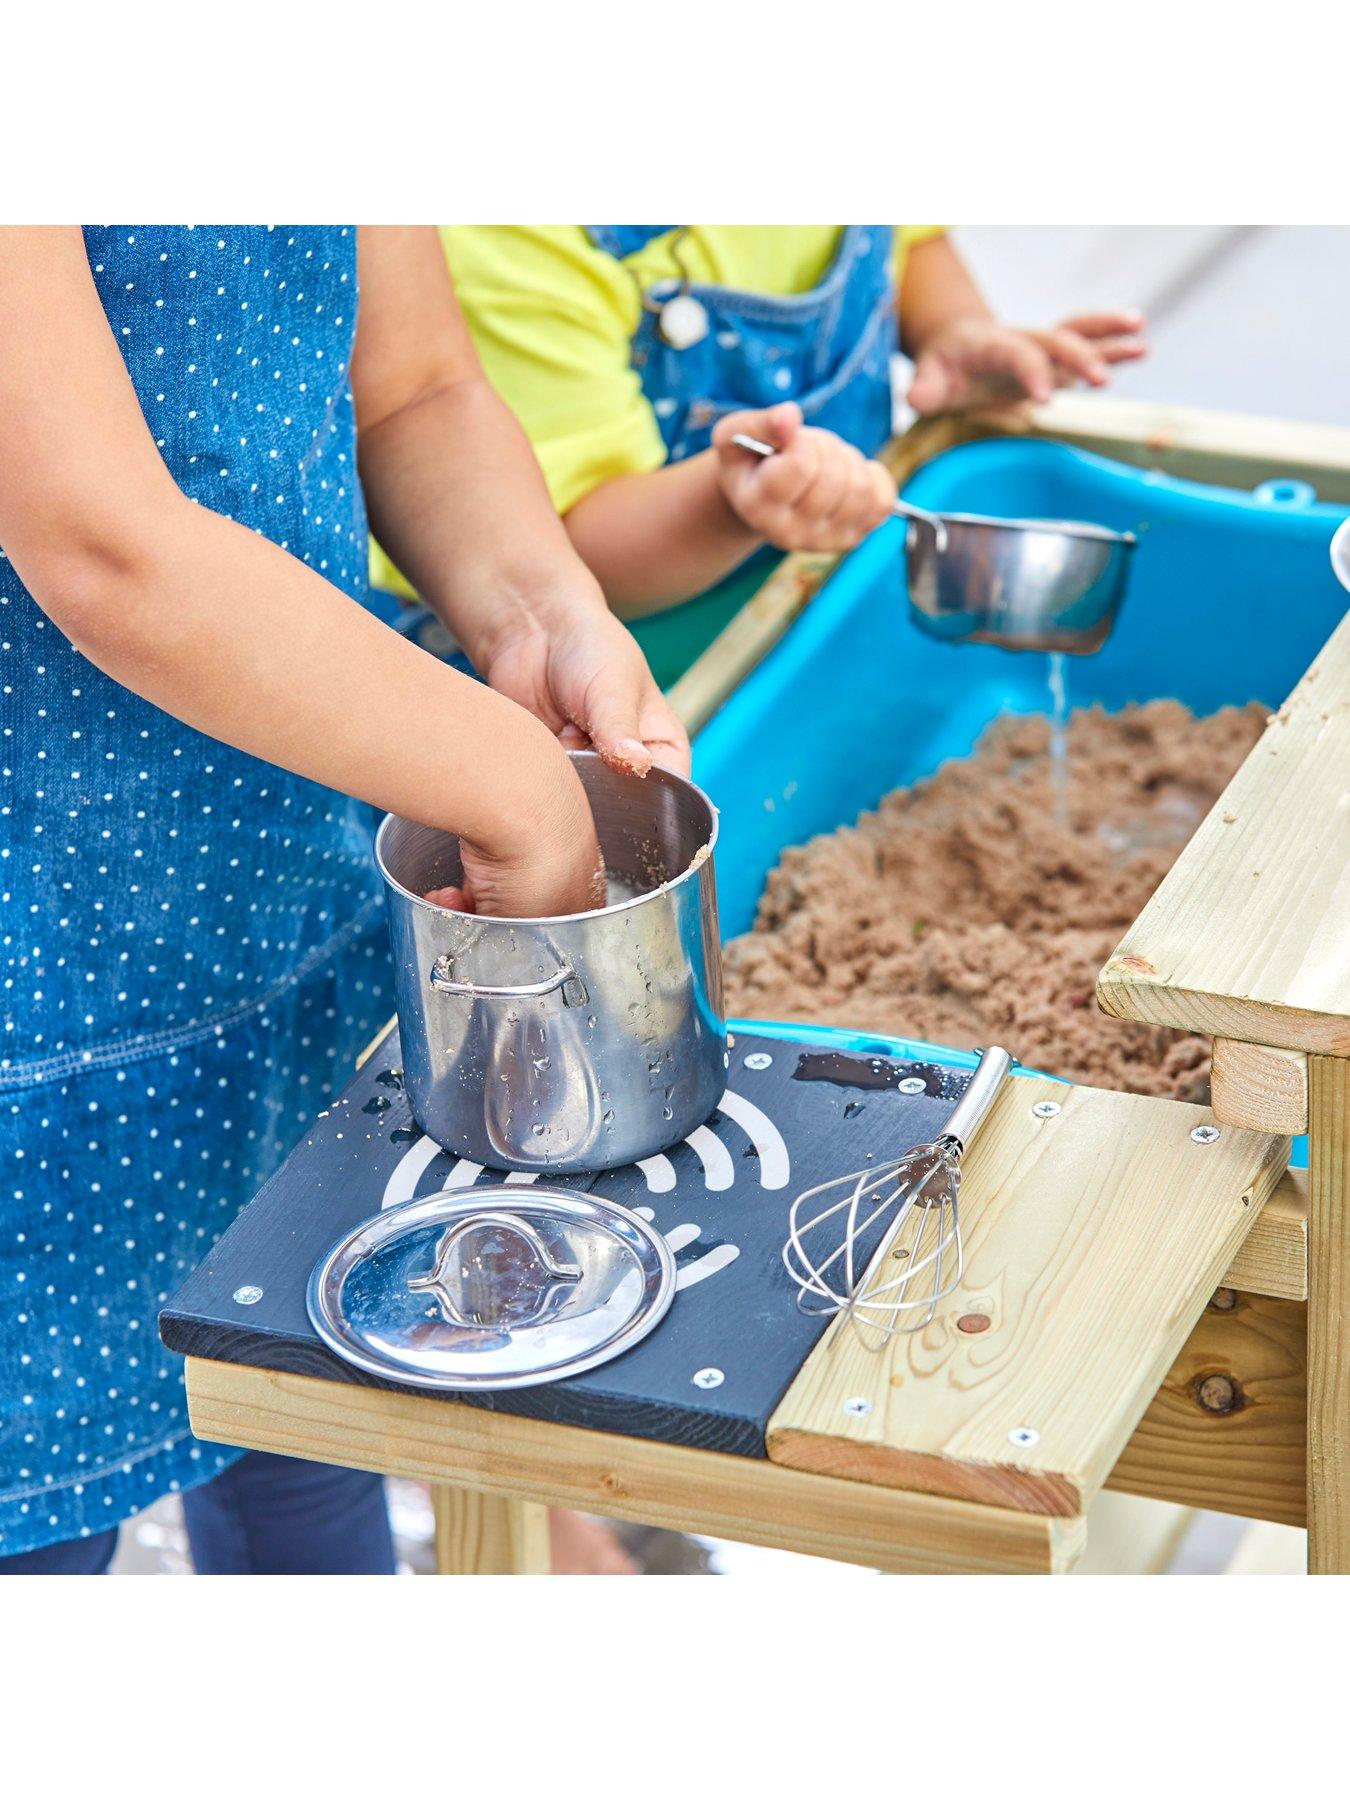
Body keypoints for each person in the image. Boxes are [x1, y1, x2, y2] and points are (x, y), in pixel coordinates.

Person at [0, 225, 685, 1574]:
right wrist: (522, 797)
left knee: (309, 1428)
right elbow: (101, 547)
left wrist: (537, 611)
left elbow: (416, 385)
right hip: (40, 975)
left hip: (278, 887)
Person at [371, 228, 1147, 685]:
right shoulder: (508, 241)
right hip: (629, 674)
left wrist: (952, 330)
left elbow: (908, 242)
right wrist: (730, 501)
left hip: (809, 599)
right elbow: (546, 553)